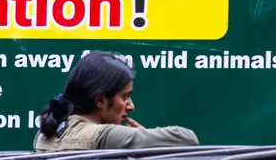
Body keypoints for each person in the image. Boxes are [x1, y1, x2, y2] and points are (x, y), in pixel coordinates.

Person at [34, 51, 198, 152]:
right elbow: (187, 138)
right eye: (125, 97)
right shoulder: (104, 136)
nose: (131, 106)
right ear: (101, 100)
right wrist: (143, 137)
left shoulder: (43, 135)